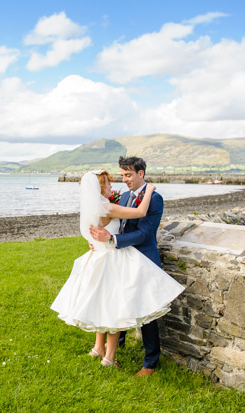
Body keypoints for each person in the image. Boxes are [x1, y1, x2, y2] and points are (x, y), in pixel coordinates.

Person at [51, 168, 184, 370]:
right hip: (112, 259)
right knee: (114, 307)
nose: (113, 186)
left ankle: (98, 348)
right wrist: (149, 190)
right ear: (100, 187)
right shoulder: (106, 206)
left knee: (102, 303)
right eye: (109, 183)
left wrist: (97, 241)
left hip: (99, 257)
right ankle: (109, 358)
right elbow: (140, 212)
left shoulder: (90, 207)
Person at [89, 156, 172, 377]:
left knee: (147, 312)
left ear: (140, 174)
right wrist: (100, 239)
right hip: (122, 259)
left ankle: (150, 363)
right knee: (121, 301)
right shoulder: (125, 196)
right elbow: (117, 225)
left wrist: (112, 240)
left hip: (144, 258)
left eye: (128, 175)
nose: (124, 179)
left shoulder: (154, 199)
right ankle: (118, 344)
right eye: (123, 175)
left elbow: (145, 233)